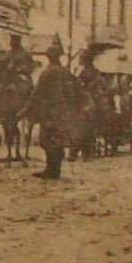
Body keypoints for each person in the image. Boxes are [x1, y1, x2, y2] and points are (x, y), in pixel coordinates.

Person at [24, 39, 84, 179]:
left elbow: (37, 92)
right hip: (62, 111)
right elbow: (75, 89)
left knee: (46, 140)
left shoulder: (48, 72)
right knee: (56, 140)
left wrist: (27, 108)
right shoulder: (64, 72)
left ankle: (51, 170)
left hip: (50, 112)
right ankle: (54, 170)